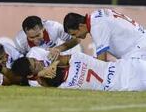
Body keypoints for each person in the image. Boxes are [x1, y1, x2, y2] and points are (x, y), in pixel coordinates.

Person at [12, 47, 146, 91]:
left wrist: (47, 68)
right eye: (35, 64)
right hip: (131, 68)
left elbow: (60, 58)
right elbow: (64, 59)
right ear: (30, 76)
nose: (39, 61)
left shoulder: (67, 86)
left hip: (129, 81)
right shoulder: (78, 57)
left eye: (34, 59)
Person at [63, 9, 146, 61]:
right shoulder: (96, 15)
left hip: (137, 50)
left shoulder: (96, 26)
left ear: (81, 26)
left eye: (74, 33)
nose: (75, 37)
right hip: (139, 43)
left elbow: (101, 60)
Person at [14, 15, 80, 59]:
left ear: (43, 28)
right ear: (25, 34)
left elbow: (77, 39)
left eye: (38, 35)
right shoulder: (19, 41)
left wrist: (59, 49)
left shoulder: (54, 27)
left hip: (60, 57)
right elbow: (21, 60)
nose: (36, 40)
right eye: (31, 37)